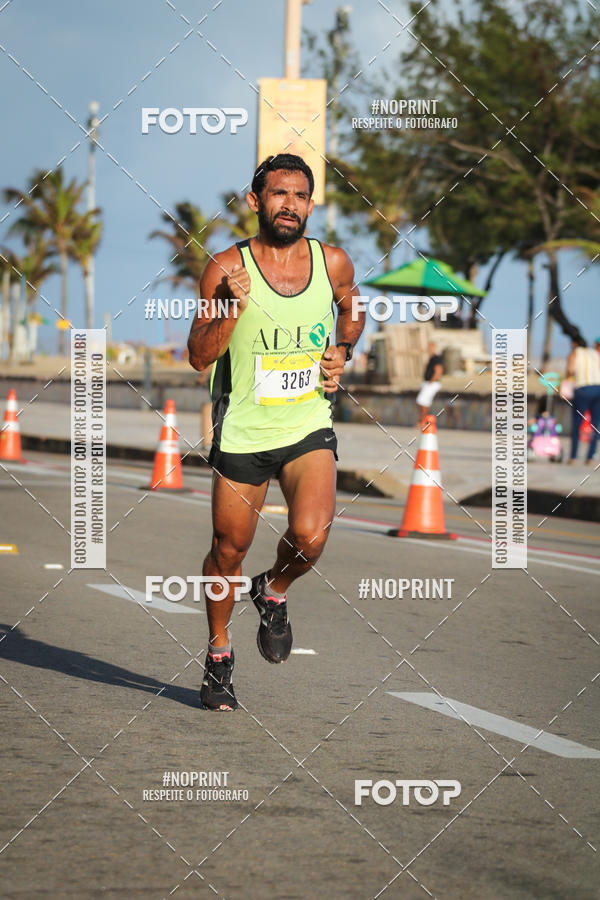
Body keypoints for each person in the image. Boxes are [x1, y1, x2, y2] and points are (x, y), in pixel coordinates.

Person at [187, 153, 364, 710]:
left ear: (311, 205)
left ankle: (274, 590)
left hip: (308, 421)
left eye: (301, 196)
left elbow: (352, 311)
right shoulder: (224, 268)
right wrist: (234, 310)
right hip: (242, 429)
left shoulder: (332, 263)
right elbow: (198, 356)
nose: (290, 205)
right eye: (279, 194)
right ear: (256, 201)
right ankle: (219, 655)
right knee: (228, 549)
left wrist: (344, 349)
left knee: (311, 536)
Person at [565, 337, 600, 464]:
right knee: (595, 425)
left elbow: (570, 370)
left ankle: (573, 457)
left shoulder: (575, 353)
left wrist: (566, 379)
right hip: (598, 388)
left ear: (574, 343)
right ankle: (590, 457)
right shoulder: (594, 353)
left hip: (583, 388)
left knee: (577, 424)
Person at [416, 341, 443, 427]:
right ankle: (424, 421)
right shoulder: (431, 358)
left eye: (430, 347)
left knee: (421, 401)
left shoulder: (436, 358)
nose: (429, 349)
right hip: (429, 383)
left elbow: (439, 370)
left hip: (432, 383)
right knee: (424, 402)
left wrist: (431, 382)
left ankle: (422, 421)